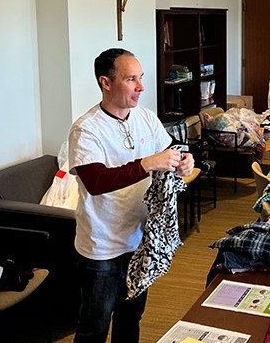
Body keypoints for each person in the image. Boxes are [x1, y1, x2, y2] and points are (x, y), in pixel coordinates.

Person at [68, 48, 194, 343]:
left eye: (140, 78)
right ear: (106, 82)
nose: (141, 87)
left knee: (130, 318)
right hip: (102, 248)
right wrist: (147, 163)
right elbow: (96, 181)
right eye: (131, 79)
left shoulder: (146, 119)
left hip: (139, 240)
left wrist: (184, 162)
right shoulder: (86, 129)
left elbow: (172, 150)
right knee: (94, 327)